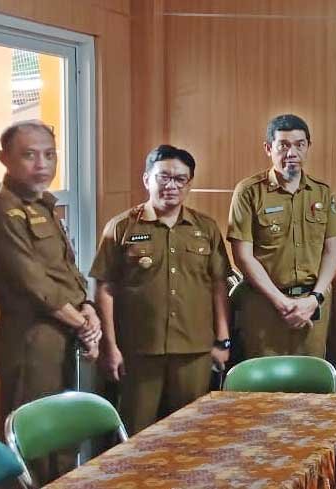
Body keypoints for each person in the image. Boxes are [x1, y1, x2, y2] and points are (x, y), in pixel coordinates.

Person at [90, 145, 230, 434]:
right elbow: (105, 288)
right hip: (139, 350)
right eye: (163, 177)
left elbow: (218, 285)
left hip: (194, 350)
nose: (171, 185)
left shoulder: (206, 228)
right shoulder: (121, 228)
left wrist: (223, 341)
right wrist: (110, 346)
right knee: (136, 432)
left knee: (191, 432)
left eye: (180, 179)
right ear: (147, 179)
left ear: (189, 183)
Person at [0, 120, 100, 482]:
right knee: (34, 441)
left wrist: (88, 308)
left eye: (49, 154)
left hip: (63, 333)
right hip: (31, 340)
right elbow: (34, 284)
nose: (42, 164)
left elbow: (67, 271)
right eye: (29, 155)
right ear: (4, 158)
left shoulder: (43, 205)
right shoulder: (3, 210)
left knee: (64, 436)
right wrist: (84, 324)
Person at [227, 114, 336, 358]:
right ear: (268, 148)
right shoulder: (249, 191)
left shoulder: (322, 192)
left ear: (308, 147)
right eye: (283, 145)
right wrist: (282, 302)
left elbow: (332, 251)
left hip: (312, 303)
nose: (292, 153)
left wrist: (315, 298)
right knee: (264, 377)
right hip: (264, 305)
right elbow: (243, 256)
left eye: (300, 144)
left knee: (310, 376)